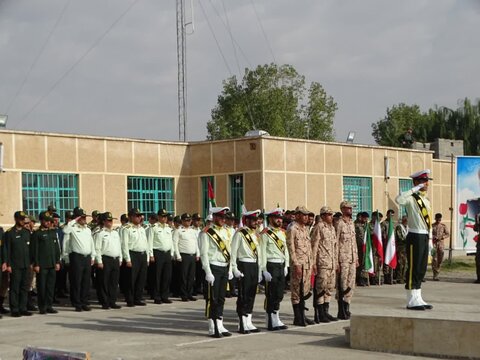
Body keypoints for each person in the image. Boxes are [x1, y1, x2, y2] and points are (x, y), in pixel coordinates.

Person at [395, 169, 433, 310]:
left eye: (427, 181)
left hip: (424, 235)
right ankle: (411, 299)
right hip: (415, 235)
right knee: (413, 268)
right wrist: (415, 188)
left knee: (421, 268)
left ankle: (418, 297)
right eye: (424, 181)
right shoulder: (411, 198)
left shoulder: (425, 200)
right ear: (416, 182)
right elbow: (399, 200)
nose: (427, 184)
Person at [199, 206, 232, 338]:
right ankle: (212, 325)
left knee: (221, 298)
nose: (223, 220)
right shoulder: (206, 232)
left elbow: (229, 251)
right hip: (213, 267)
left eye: (224, 218)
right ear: (214, 217)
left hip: (224, 267)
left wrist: (230, 269)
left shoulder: (227, 232)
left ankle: (220, 322)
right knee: (211, 298)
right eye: (220, 217)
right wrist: (207, 271)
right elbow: (204, 253)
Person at [231, 209, 262, 334]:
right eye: (253, 220)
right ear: (247, 220)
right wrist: (234, 268)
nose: (256, 222)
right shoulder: (240, 233)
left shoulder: (256, 234)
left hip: (254, 265)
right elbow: (233, 252)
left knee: (251, 294)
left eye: (257, 220)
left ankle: (249, 321)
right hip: (243, 265)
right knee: (243, 294)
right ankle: (242, 322)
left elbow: (258, 253)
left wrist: (259, 270)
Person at [260, 208, 289, 331]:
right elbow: (262, 252)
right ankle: (270, 320)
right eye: (277, 218)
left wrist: (286, 265)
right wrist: (264, 269)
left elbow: (285, 250)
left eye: (280, 218)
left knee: (279, 294)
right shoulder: (265, 233)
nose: (279, 220)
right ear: (270, 219)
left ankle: (276, 317)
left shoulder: (282, 232)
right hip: (271, 265)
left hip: (281, 265)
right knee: (271, 294)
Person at [63, 207, 96, 311]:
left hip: (87, 257)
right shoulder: (72, 227)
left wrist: (93, 256)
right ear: (76, 218)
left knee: (86, 281)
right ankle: (77, 303)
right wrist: (66, 257)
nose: (84, 219)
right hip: (76, 257)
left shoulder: (87, 229)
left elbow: (91, 243)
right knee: (76, 281)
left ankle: (84, 302)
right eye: (82, 217)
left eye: (85, 217)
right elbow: (65, 233)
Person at [287, 206, 314, 327]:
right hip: (298, 264)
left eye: (307, 215)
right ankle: (297, 317)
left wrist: (312, 263)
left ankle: (302, 314)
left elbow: (309, 248)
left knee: (304, 290)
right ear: (297, 215)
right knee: (297, 290)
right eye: (303, 215)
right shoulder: (293, 228)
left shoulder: (305, 229)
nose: (306, 217)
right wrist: (296, 263)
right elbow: (291, 247)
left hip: (307, 264)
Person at [2, 211, 33, 317]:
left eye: (23, 219)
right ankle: (14, 309)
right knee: (15, 288)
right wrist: (8, 263)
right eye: (20, 219)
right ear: (15, 219)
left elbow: (30, 249)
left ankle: (23, 307)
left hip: (26, 264)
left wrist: (31, 262)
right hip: (15, 265)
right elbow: (6, 249)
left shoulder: (26, 232)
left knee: (25, 287)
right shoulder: (9, 233)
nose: (22, 221)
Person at [311, 206, 338, 323]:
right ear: (322, 216)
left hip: (331, 263)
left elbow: (335, 247)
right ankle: (320, 313)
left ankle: (326, 312)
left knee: (329, 288)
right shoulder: (319, 227)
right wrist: (313, 263)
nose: (331, 217)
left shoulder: (332, 228)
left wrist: (336, 262)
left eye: (331, 215)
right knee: (320, 288)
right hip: (322, 262)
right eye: (328, 214)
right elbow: (314, 246)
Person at [32, 211, 61, 314]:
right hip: (42, 265)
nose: (48, 223)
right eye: (46, 221)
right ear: (41, 221)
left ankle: (49, 305)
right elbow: (34, 250)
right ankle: (42, 307)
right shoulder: (37, 233)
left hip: (52, 264)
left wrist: (57, 261)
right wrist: (36, 264)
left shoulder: (52, 232)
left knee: (50, 287)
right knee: (42, 287)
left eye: (49, 221)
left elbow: (56, 248)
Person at [121, 208, 150, 307]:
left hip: (142, 254)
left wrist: (147, 258)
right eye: (137, 216)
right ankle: (130, 299)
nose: (139, 218)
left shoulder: (141, 228)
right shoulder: (126, 228)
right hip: (132, 254)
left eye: (140, 216)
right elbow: (124, 244)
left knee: (141, 279)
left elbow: (146, 243)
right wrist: (127, 259)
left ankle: (138, 298)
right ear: (131, 217)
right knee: (131, 279)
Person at [94, 212, 122, 309]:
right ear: (104, 221)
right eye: (108, 220)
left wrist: (120, 258)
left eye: (111, 220)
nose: (110, 222)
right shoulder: (100, 233)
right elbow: (97, 248)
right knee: (104, 281)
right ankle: (104, 302)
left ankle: (112, 301)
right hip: (105, 259)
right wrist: (99, 261)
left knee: (114, 282)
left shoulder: (115, 233)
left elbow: (119, 246)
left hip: (115, 259)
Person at [335, 201, 358, 320]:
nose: (350, 210)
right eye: (348, 208)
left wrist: (356, 258)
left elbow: (354, 242)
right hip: (342, 259)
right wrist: (336, 260)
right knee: (342, 285)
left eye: (351, 208)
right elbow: (336, 242)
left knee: (351, 284)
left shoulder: (351, 223)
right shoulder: (339, 223)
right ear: (343, 209)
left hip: (352, 258)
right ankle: (341, 309)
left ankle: (347, 306)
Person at [147, 209, 173, 304]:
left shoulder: (168, 228)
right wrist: (151, 255)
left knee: (167, 276)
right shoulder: (153, 228)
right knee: (157, 276)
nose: (164, 218)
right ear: (158, 217)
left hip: (167, 253)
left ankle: (164, 295)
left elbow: (171, 241)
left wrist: (172, 253)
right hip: (157, 253)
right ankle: (157, 296)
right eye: (162, 216)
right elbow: (149, 242)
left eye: (165, 216)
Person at [173, 213, 200, 302]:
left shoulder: (193, 231)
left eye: (189, 220)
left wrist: (197, 254)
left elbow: (196, 243)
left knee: (191, 276)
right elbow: (175, 244)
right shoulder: (178, 231)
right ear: (182, 221)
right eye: (186, 220)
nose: (188, 222)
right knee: (183, 276)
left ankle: (190, 293)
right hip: (183, 255)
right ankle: (184, 294)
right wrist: (178, 255)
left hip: (192, 255)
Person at [431, 213, 449, 281]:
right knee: (434, 259)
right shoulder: (432, 226)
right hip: (434, 245)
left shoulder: (443, 226)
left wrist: (442, 237)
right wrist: (434, 237)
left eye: (439, 219)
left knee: (440, 260)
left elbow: (447, 234)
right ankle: (435, 275)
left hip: (441, 245)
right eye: (437, 219)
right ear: (435, 219)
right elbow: (429, 233)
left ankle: (437, 271)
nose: (438, 221)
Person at [354, 212, 369, 286]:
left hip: (365, 247)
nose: (366, 220)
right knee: (358, 264)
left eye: (366, 218)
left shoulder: (366, 226)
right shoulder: (355, 225)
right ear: (361, 217)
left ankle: (363, 278)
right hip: (358, 247)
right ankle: (358, 279)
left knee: (364, 263)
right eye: (365, 218)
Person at [381, 209, 396, 285]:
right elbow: (381, 234)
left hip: (392, 245)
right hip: (386, 245)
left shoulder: (393, 224)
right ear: (387, 215)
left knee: (391, 260)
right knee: (386, 261)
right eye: (390, 215)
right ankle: (386, 276)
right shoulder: (383, 223)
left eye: (392, 215)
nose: (391, 216)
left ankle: (391, 277)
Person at [395, 215, 408, 284]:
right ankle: (399, 278)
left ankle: (405, 277)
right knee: (400, 263)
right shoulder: (399, 227)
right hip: (401, 248)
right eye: (405, 220)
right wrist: (408, 240)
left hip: (407, 248)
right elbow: (400, 237)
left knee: (406, 263)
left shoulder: (408, 227)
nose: (407, 221)